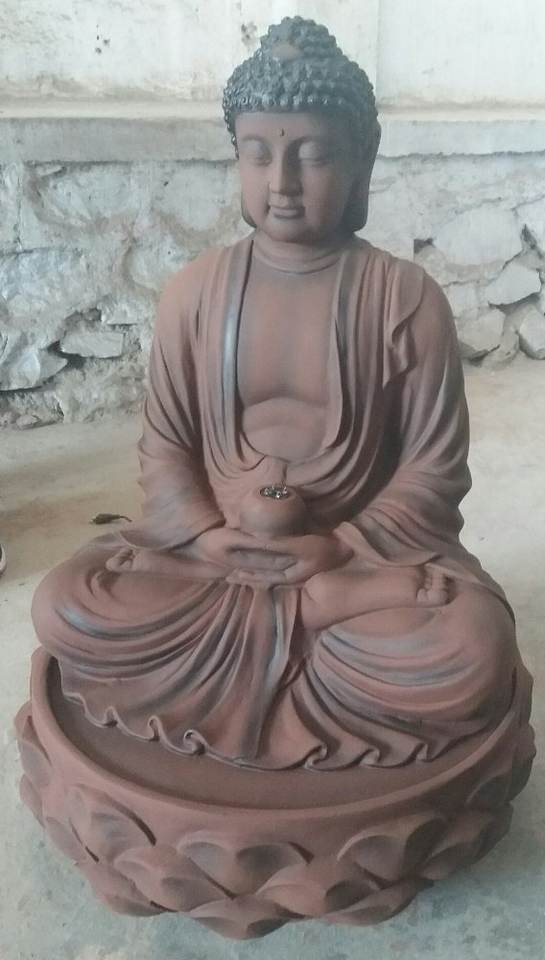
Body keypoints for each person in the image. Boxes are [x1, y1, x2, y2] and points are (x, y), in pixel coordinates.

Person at [32, 17, 530, 772]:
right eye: (258, 153)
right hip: (214, 558)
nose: (282, 184)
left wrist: (341, 548)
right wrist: (204, 534)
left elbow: (432, 471)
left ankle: (312, 616)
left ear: (361, 160)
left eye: (313, 155)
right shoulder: (195, 294)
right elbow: (166, 447)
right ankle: (307, 622)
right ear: (236, 156)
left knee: (469, 651)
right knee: (70, 601)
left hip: (353, 558)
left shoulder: (402, 298)